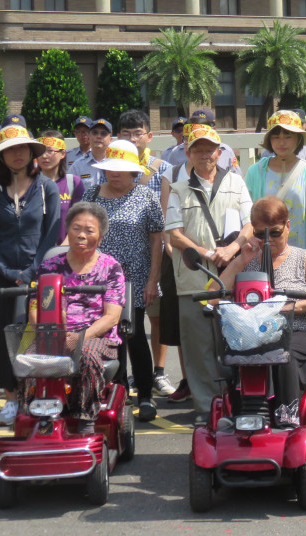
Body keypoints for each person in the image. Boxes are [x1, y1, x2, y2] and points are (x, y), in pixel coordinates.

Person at [219, 196, 306, 423]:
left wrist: (297, 307)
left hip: (297, 331)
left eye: (274, 233)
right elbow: (213, 294)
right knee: (234, 352)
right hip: (253, 333)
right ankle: (241, 416)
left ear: (288, 227)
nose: (268, 240)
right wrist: (240, 261)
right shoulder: (248, 260)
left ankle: (287, 416)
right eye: (260, 234)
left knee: (284, 353)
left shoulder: (304, 258)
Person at [164, 125, 253, 424]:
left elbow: (250, 224)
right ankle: (206, 409)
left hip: (233, 273)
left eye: (210, 149)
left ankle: (237, 402)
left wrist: (234, 249)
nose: (205, 154)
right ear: (188, 153)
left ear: (220, 152)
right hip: (194, 277)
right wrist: (205, 252)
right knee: (198, 347)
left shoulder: (237, 183)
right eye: (198, 149)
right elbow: (174, 234)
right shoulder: (178, 189)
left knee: (237, 342)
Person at [0, 124, 61, 426]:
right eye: (10, 150)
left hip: (38, 277)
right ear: (1, 157)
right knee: (5, 338)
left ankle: (36, 396)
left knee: (37, 337)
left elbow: (52, 232)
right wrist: (6, 270)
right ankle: (11, 399)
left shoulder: (46, 187)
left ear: (31, 153)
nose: (18, 154)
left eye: (23, 148)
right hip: (0, 279)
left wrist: (31, 271)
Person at [83, 139, 164, 421]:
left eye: (122, 169)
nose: (115, 174)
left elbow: (157, 240)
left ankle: (144, 394)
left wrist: (153, 279)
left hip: (135, 277)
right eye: (110, 168)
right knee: (108, 336)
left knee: (134, 334)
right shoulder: (91, 195)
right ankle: (116, 394)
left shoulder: (147, 196)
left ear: (134, 171)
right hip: (100, 279)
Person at [35, 202, 125, 430]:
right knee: (25, 356)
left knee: (86, 356)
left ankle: (85, 418)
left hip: (96, 336)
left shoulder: (110, 267)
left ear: (101, 236)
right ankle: (34, 412)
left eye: (89, 230)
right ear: (67, 231)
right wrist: (53, 333)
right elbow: (35, 307)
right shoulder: (50, 265)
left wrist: (79, 337)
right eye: (76, 228)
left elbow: (112, 317)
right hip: (53, 332)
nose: (81, 235)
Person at [118, 109, 176, 398]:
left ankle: (159, 372)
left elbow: (165, 216)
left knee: (156, 318)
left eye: (138, 133)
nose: (132, 138)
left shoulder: (163, 168)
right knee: (125, 323)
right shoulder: (110, 169)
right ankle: (129, 377)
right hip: (121, 259)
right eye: (126, 134)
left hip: (154, 253)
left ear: (149, 136)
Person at [244, 110, 306, 254]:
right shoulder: (256, 171)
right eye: (276, 137)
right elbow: (245, 210)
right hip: (263, 250)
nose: (281, 142)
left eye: (288, 136)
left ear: (298, 139)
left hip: (301, 251)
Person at [37, 129, 85, 242]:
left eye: (50, 151)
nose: (44, 156)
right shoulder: (29, 184)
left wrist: (64, 246)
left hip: (65, 251)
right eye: (41, 151)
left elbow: (79, 219)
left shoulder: (73, 183)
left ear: (62, 153)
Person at [162, 109, 240, 170]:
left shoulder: (225, 150)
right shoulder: (176, 152)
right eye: (188, 138)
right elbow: (170, 180)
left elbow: (237, 177)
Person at [68, 118, 112, 188]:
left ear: (110, 139)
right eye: (95, 133)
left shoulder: (116, 163)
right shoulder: (78, 166)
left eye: (103, 133)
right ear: (88, 136)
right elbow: (69, 191)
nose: (99, 136)